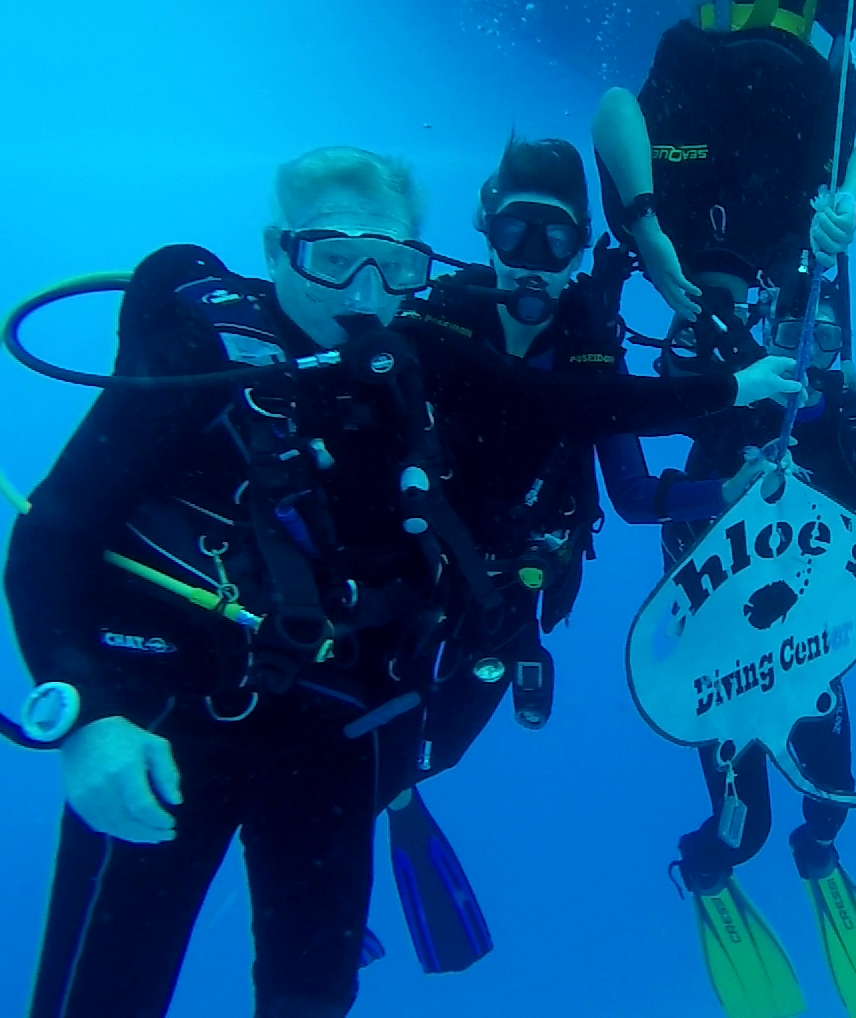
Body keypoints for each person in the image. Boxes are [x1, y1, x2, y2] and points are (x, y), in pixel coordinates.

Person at [4, 145, 802, 1017]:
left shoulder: (410, 356)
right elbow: (50, 539)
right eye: (333, 256)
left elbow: (570, 406)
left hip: (335, 736)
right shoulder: (197, 360)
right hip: (172, 727)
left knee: (312, 994)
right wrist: (88, 716)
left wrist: (735, 386)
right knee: (105, 995)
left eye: (391, 264)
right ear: (278, 250)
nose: (362, 289)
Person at [370, 136, 773, 974]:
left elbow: (634, 496)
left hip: (510, 595)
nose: (531, 259)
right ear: (485, 230)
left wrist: (725, 493)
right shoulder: (436, 324)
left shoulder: (591, 350)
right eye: (515, 232)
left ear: (582, 246)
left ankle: (395, 795)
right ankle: (360, 810)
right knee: (364, 723)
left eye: (555, 239)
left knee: (439, 748)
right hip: (408, 573)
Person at [658, 293, 856, 1018]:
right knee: (745, 830)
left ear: (839, 344)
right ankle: (707, 866)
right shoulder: (734, 410)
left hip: (801, 651)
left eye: (822, 335)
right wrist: (733, 493)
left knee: (833, 792)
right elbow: (674, 530)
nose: (806, 349)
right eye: (791, 332)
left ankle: (816, 853)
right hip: (721, 663)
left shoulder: (849, 419)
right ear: (767, 333)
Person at [591, 0, 856, 377]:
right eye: (718, 353)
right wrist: (849, 201)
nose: (704, 333)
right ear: (747, 344)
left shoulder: (645, 233)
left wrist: (646, 227)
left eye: (686, 349)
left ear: (663, 343)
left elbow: (614, 108)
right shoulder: (794, 251)